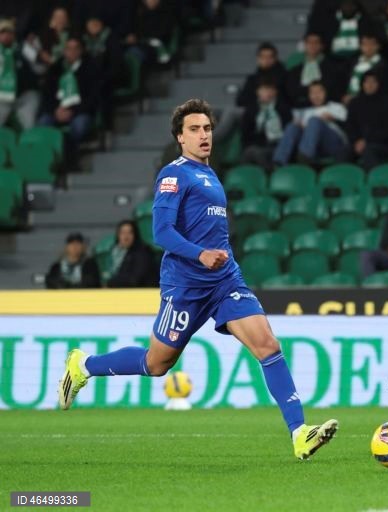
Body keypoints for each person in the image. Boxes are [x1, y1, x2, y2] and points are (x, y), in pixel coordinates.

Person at [57, 99, 338, 460]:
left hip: (224, 282)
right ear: (180, 137)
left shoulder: (210, 174)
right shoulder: (174, 175)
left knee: (268, 345)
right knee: (157, 364)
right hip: (186, 285)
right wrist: (200, 254)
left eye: (207, 128)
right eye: (194, 129)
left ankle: (300, 434)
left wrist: (217, 259)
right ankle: (83, 365)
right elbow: (161, 231)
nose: (203, 135)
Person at [38, 36, 103, 176]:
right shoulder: (55, 69)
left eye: (76, 48)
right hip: (57, 111)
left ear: (81, 50)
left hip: (80, 112)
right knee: (43, 123)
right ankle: (48, 161)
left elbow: (93, 97)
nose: (72, 52)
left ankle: (69, 160)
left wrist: (72, 111)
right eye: (68, 48)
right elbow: (47, 95)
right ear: (64, 51)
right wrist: (55, 110)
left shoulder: (91, 68)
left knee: (79, 125)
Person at [273, 80, 348, 166]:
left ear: (326, 92)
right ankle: (279, 162)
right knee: (292, 126)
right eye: (312, 93)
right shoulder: (306, 112)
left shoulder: (336, 107)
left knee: (314, 121)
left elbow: (349, 128)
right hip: (314, 148)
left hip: (334, 145)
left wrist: (333, 119)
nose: (316, 96)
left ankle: (304, 157)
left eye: (319, 92)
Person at [345, 70, 388, 169]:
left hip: (383, 143)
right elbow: (350, 126)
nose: (369, 85)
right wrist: (356, 141)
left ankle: (373, 181)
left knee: (369, 151)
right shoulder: (355, 103)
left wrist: (367, 141)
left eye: (373, 82)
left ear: (379, 84)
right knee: (342, 152)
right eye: (366, 82)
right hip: (358, 143)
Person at [240, 79, 292, 167]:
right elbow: (245, 133)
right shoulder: (251, 109)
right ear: (257, 92)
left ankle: (271, 173)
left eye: (269, 89)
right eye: (263, 90)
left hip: (279, 145)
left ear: (275, 92)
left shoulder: (283, 108)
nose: (267, 93)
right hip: (259, 144)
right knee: (251, 152)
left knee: (256, 153)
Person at [0, 19, 40, 130]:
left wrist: (35, 50)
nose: (6, 36)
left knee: (30, 126)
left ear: (14, 35)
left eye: (9, 32)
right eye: (2, 33)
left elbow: (40, 68)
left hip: (25, 95)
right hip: (2, 98)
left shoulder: (23, 48)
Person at [285, 32, 342, 107]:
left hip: (327, 108)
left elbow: (333, 89)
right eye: (309, 42)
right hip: (299, 107)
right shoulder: (295, 70)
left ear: (322, 46)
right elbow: (292, 91)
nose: (312, 45)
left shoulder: (333, 67)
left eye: (316, 42)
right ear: (305, 45)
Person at [104, 220, 158, 288]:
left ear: (135, 235)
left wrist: (110, 283)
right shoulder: (114, 252)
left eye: (130, 233)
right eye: (122, 233)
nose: (126, 237)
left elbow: (134, 280)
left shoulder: (143, 253)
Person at [235, 43, 287, 111]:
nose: (266, 60)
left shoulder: (285, 77)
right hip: (256, 114)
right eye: (263, 56)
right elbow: (240, 101)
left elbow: (289, 100)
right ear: (258, 58)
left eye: (270, 57)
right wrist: (259, 97)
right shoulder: (252, 79)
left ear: (275, 58)